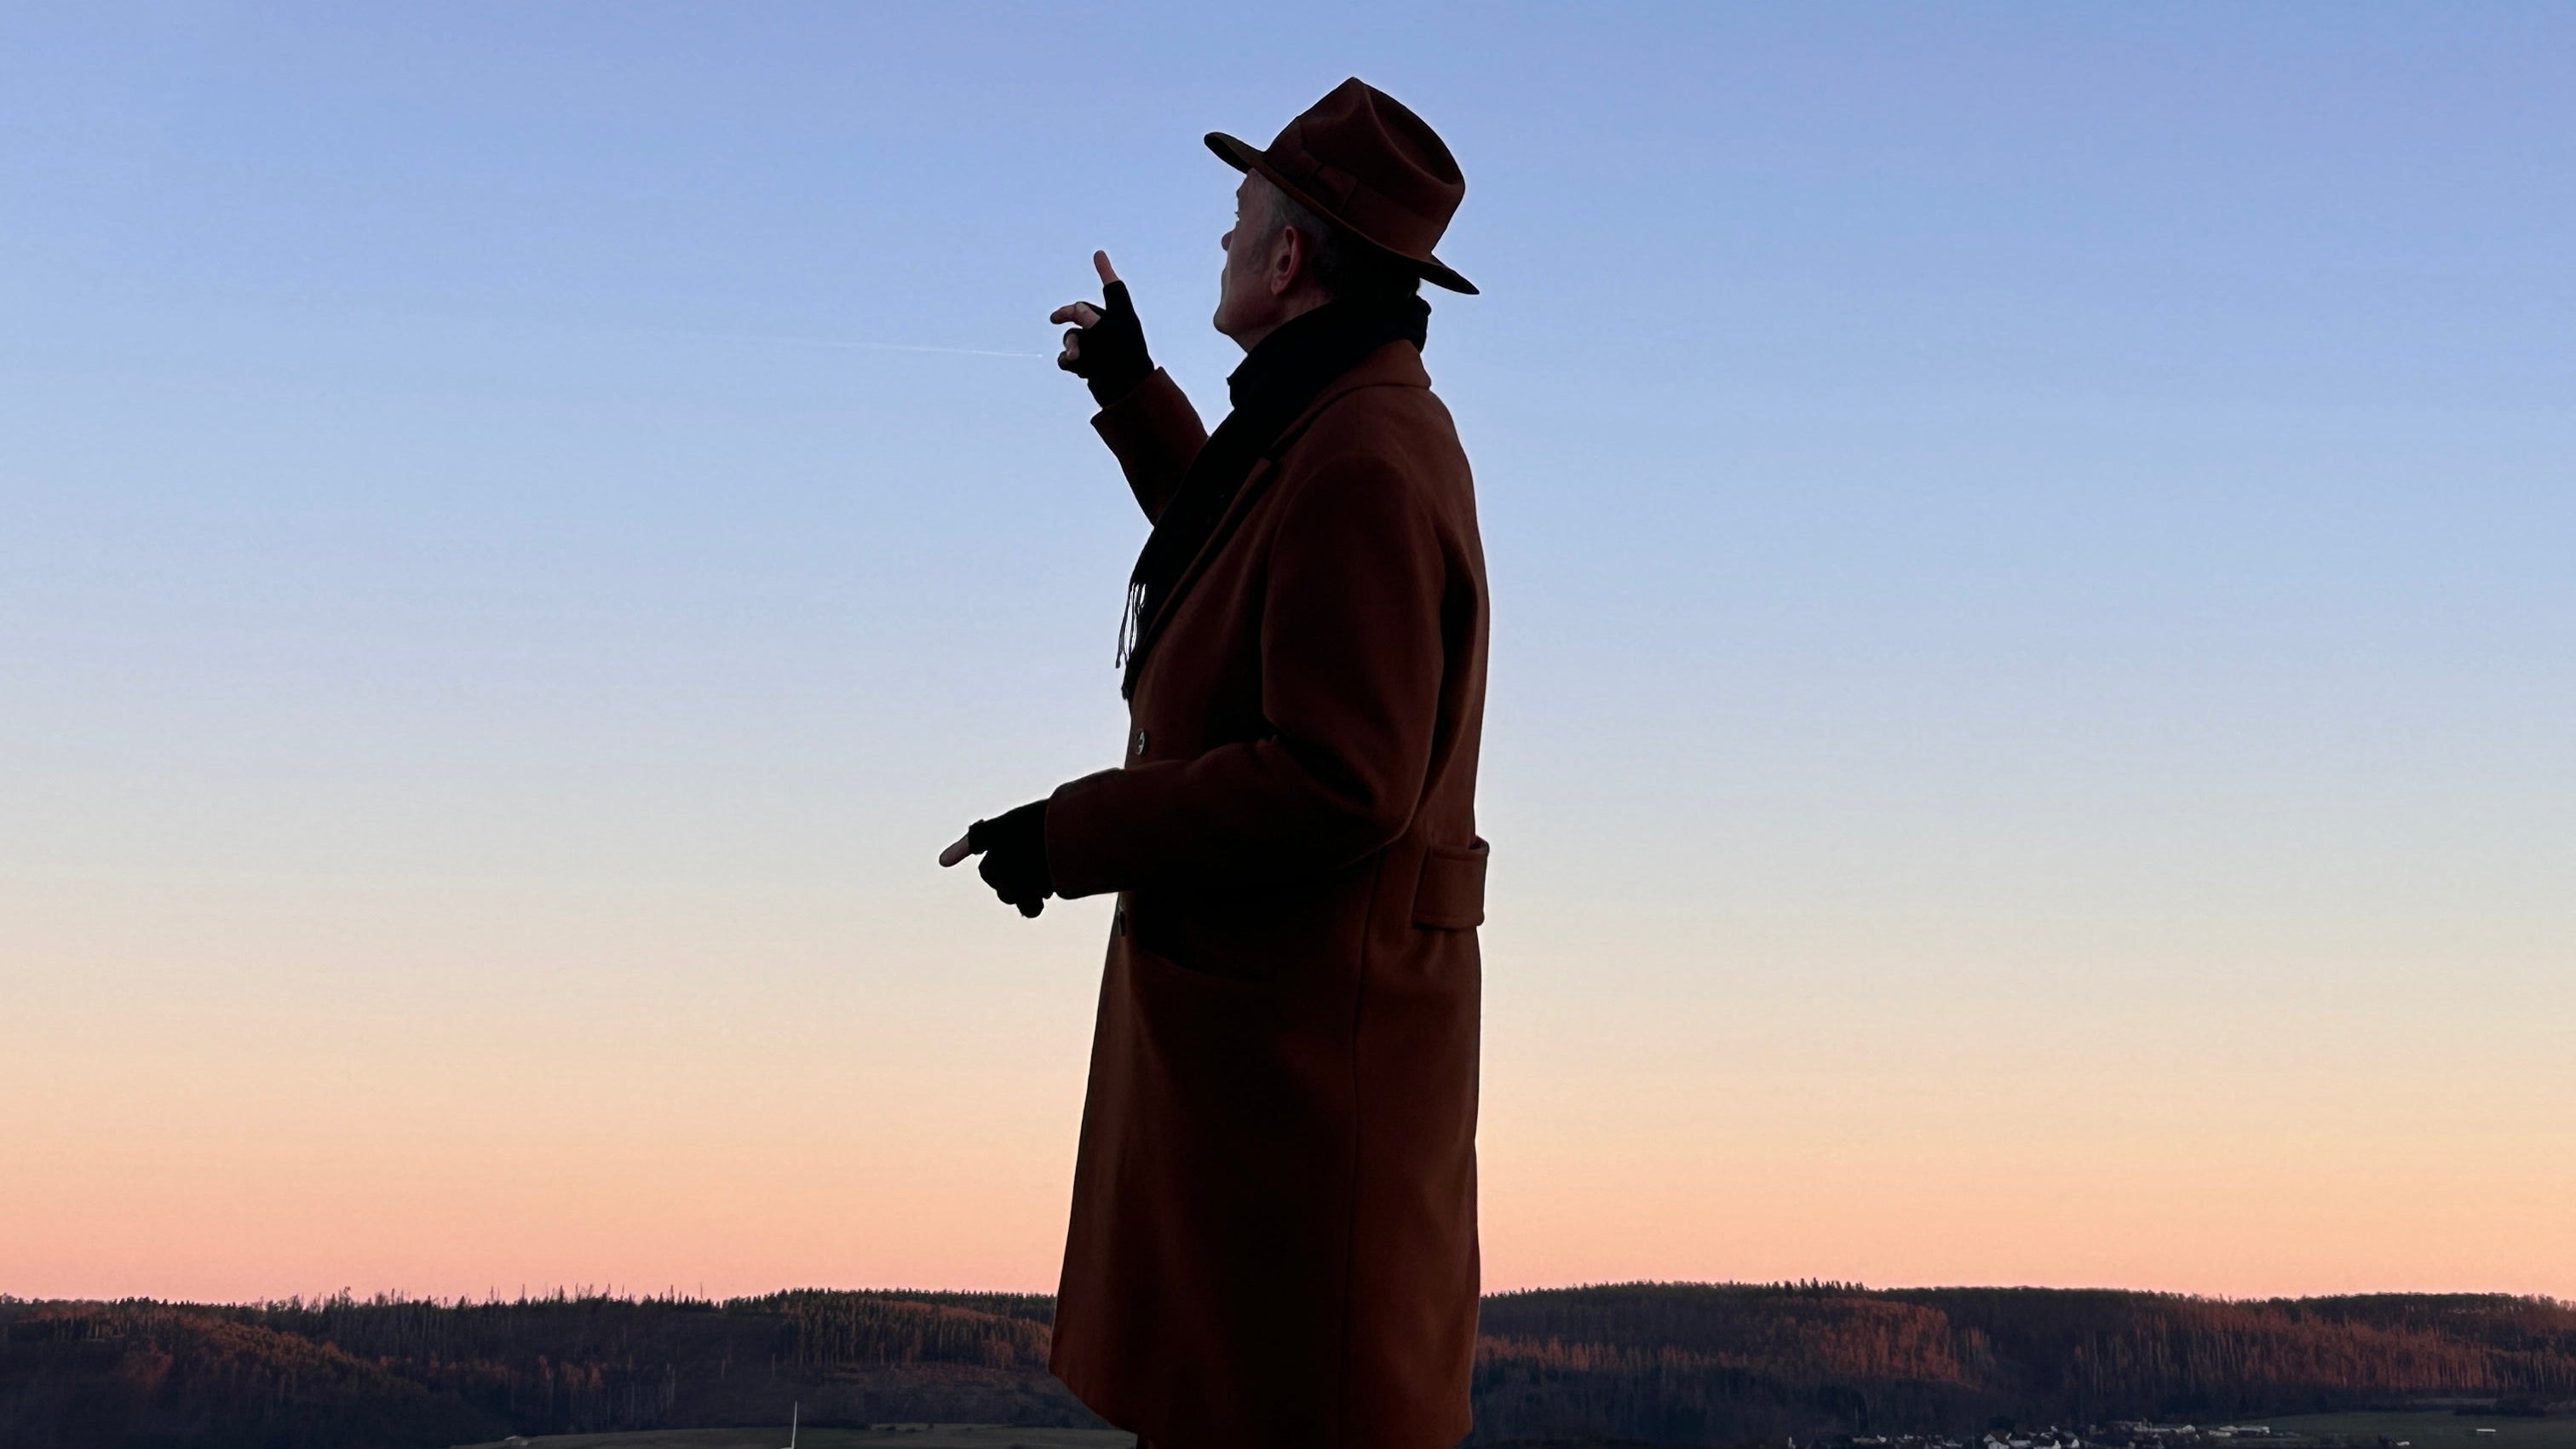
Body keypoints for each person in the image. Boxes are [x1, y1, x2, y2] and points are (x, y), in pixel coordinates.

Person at [940, 78, 1490, 1449]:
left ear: (1293, 257)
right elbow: (1245, 540)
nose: (1227, 238)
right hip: (1272, 1082)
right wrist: (1133, 394)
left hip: (1299, 1105)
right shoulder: (1336, 417)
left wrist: (1073, 835)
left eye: (1242, 217)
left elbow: (1338, 775)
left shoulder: (1362, 451)